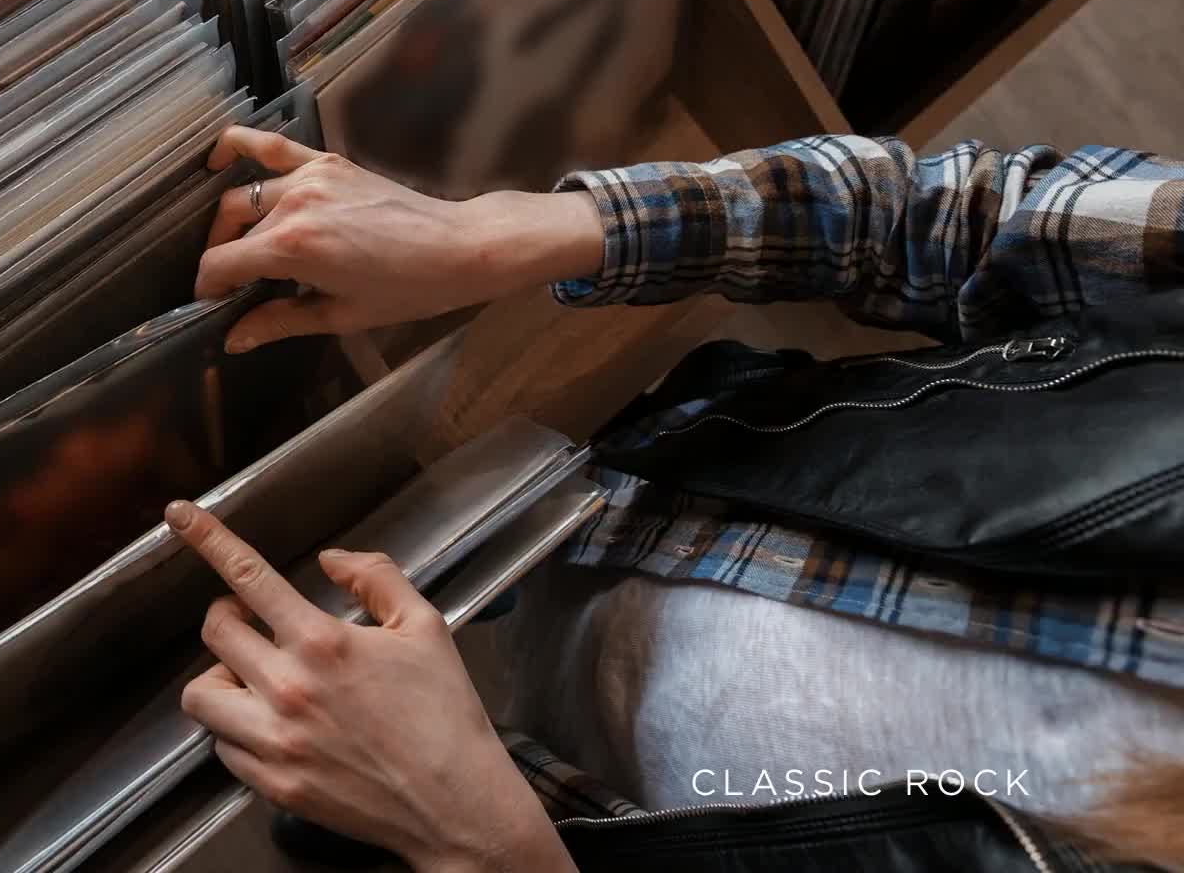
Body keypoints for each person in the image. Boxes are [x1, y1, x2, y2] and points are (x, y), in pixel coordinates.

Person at [166, 127, 1184, 872]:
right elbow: (951, 214)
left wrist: (477, 843)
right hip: (633, 483)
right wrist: (501, 235)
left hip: (523, 791)